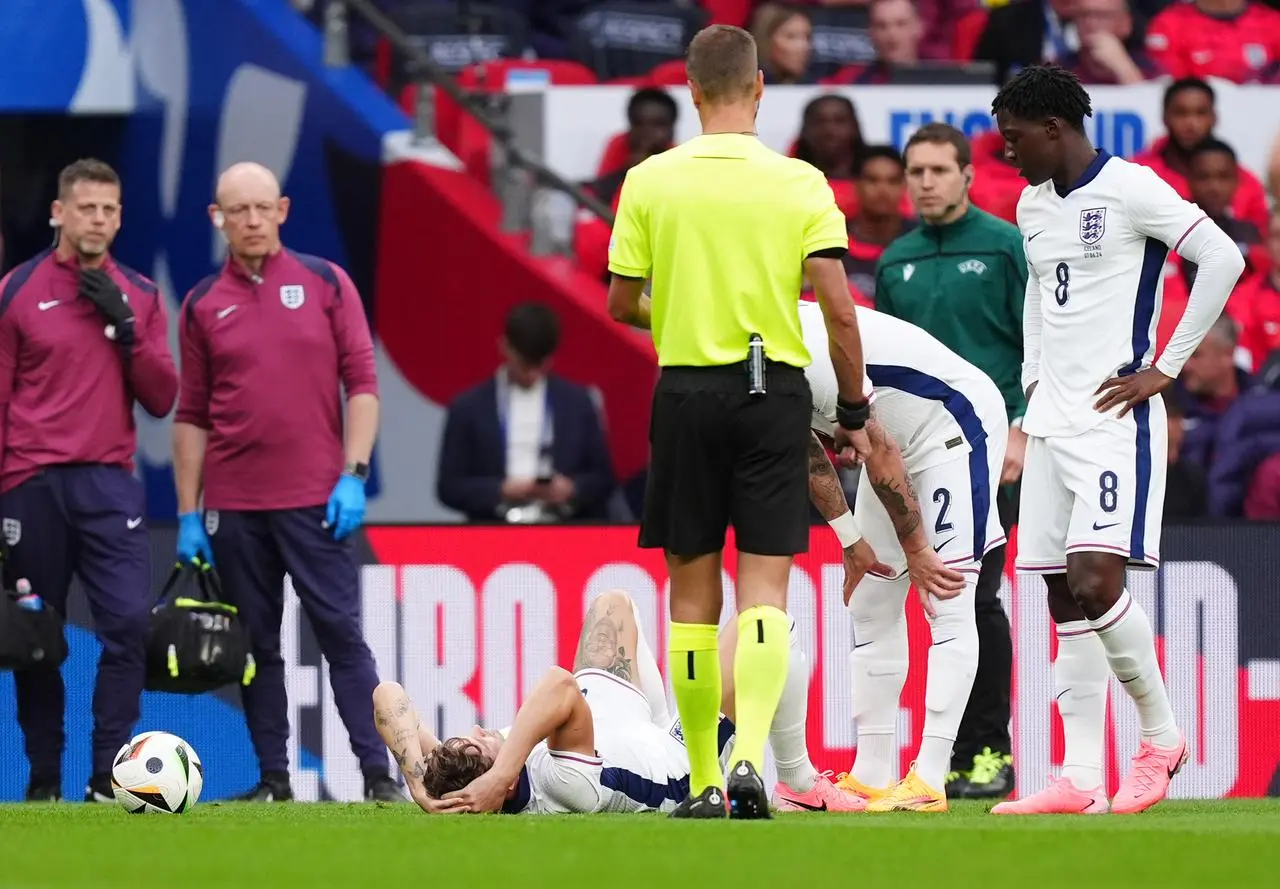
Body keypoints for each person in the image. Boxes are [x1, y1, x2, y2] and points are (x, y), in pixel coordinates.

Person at [605, 24, 875, 820]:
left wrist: (681, 310)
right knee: (765, 591)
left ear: (690, 91)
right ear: (761, 89)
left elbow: (621, 301)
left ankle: (703, 779)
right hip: (774, 393)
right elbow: (837, 308)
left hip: (687, 391)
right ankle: (752, 757)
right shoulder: (800, 181)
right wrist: (853, 409)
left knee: (692, 598)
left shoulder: (650, 180)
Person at [991, 64, 1244, 815]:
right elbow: (1039, 292)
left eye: (1013, 138)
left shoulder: (1131, 188)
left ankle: (1161, 736)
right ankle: (1078, 775)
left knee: (1098, 581)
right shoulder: (1032, 206)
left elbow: (1222, 259)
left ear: (1053, 129)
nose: (1007, 152)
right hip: (1049, 427)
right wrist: (1034, 376)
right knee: (1061, 593)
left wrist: (1164, 369)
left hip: (1112, 424)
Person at [171, 162, 399, 802]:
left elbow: (364, 385)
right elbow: (190, 415)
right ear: (217, 217)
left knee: (342, 638)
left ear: (283, 210)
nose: (250, 220)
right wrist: (189, 513)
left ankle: (377, 777)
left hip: (317, 502)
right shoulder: (200, 305)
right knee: (255, 649)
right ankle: (275, 779)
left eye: (261, 208)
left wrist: (353, 473)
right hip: (236, 508)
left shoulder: (326, 282)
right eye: (236, 210)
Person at [0, 158, 177, 803]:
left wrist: (128, 330)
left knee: (128, 625)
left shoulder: (140, 294)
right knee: (37, 636)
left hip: (108, 483)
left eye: (109, 209)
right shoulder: (17, 290)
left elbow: (162, 398)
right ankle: (45, 779)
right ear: (59, 213)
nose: (98, 219)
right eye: (86, 208)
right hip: (32, 481)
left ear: (120, 216)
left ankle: (110, 778)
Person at [374, 589, 865, 815]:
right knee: (768, 623)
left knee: (613, 604)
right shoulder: (560, 784)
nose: (483, 732)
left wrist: (419, 783)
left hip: (622, 726)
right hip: (680, 760)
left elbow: (387, 695)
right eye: (482, 747)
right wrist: (503, 769)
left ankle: (792, 779)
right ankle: (797, 779)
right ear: (494, 789)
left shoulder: (483, 773)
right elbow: (559, 685)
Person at [800, 302, 1005, 812]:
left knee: (945, 595)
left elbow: (882, 448)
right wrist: (851, 541)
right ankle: (871, 773)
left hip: (952, 424)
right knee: (869, 602)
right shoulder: (751, 359)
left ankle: (931, 776)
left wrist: (917, 549)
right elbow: (804, 453)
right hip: (892, 441)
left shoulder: (810, 358)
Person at [873, 122, 1026, 800]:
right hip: (908, 455)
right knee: (896, 600)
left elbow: (1039, 343)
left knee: (974, 593)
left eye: (939, 170)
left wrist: (1023, 428)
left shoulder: (1003, 247)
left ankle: (986, 751)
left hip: (990, 448)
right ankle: (908, 756)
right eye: (916, 171)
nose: (926, 182)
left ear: (968, 174)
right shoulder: (895, 260)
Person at [436, 302, 615, 523]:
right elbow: (448, 487)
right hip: (494, 529)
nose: (531, 374)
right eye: (524, 364)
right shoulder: (468, 407)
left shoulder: (578, 403)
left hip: (563, 528)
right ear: (505, 347)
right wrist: (501, 490)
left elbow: (604, 480)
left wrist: (571, 489)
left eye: (540, 364)